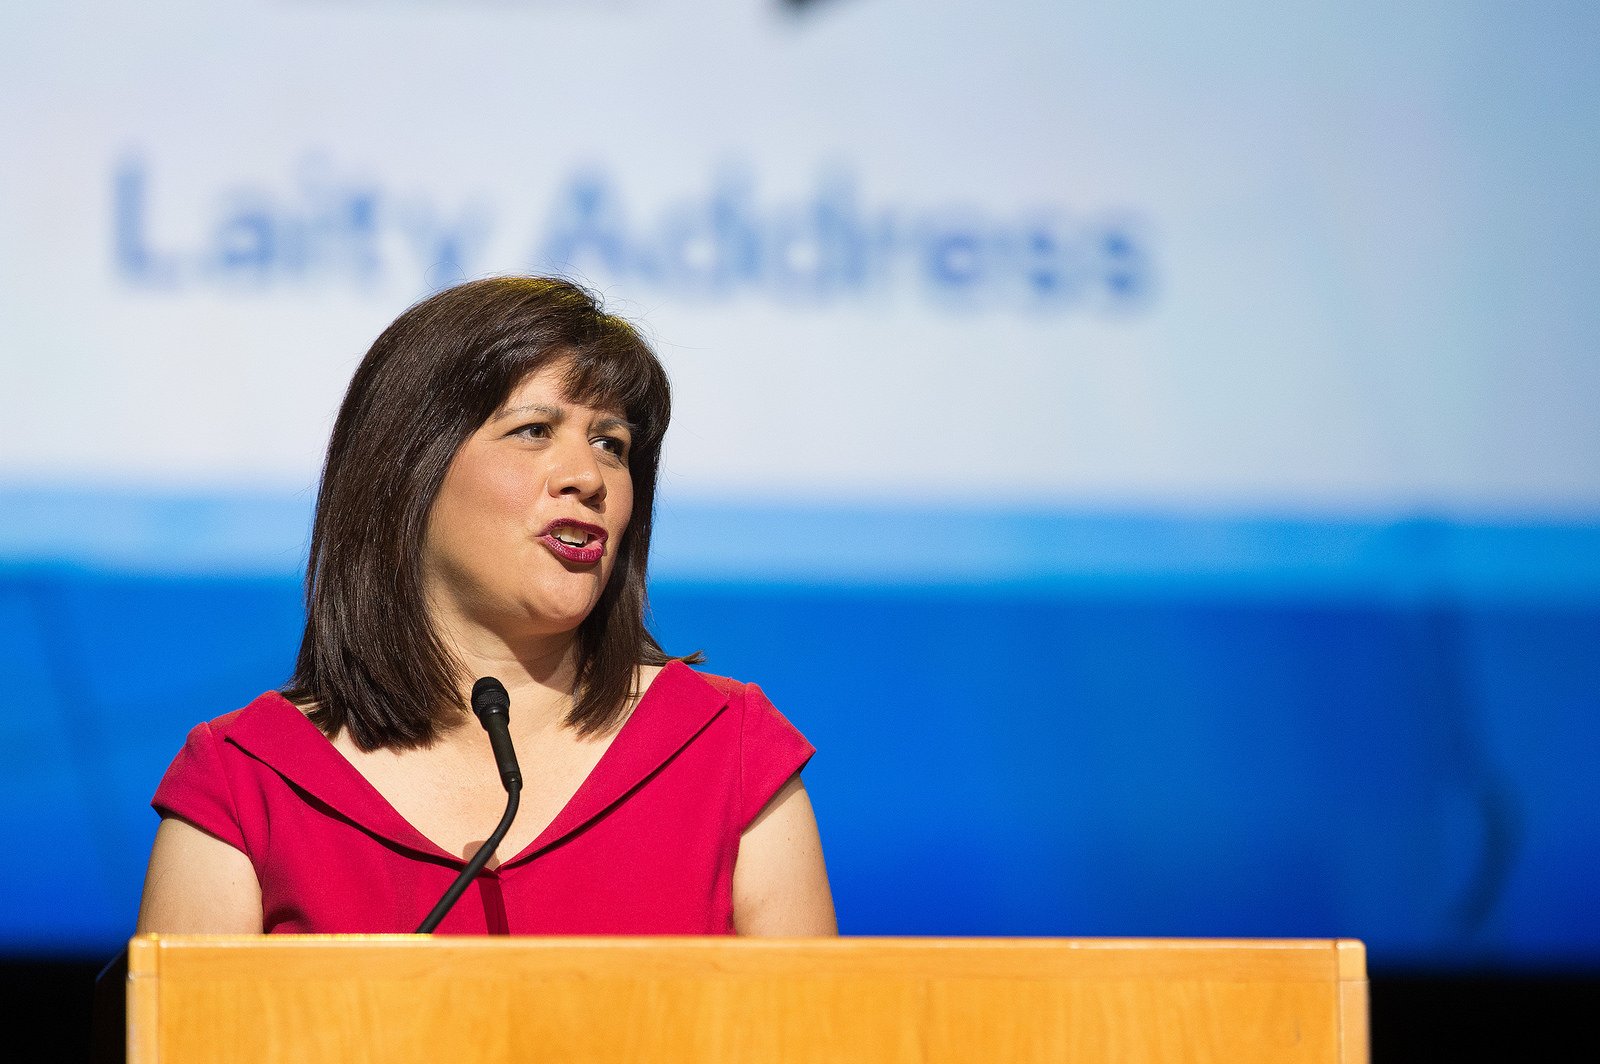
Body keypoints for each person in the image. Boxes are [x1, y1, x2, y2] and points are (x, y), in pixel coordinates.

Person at [136, 277, 836, 936]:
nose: (588, 477)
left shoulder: (728, 756)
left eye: (611, 444)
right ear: (408, 468)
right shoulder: (247, 784)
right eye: (534, 430)